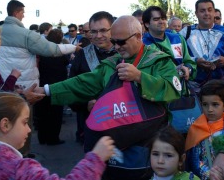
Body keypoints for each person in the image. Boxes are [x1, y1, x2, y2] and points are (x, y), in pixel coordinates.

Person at [35, 15, 182, 180]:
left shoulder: (159, 61)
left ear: (138, 37)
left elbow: (173, 90)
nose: (117, 47)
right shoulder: (111, 63)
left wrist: (140, 77)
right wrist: (46, 90)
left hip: (149, 144)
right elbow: (82, 83)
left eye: (121, 42)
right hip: (116, 143)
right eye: (114, 41)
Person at [0, 0, 80, 158]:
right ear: (18, 12)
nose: (24, 15)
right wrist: (74, 47)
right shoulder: (25, 34)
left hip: (0, 86)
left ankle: (3, 157)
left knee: (1, 125)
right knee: (22, 123)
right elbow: (52, 49)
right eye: (23, 12)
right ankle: (22, 156)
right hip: (22, 87)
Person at [0, 92, 115, 179]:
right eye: (24, 122)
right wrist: (96, 159)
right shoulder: (18, 169)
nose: (29, 130)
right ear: (5, 125)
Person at [69, 11, 116, 144]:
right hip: (92, 125)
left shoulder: (125, 52)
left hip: (124, 125)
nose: (98, 36)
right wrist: (86, 104)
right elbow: (72, 89)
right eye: (93, 31)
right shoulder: (82, 55)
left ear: (112, 30)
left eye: (103, 30)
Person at [179, 0, 224, 86]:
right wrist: (195, 61)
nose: (206, 13)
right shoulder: (186, 33)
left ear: (214, 12)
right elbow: (177, 57)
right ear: (196, 13)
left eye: (210, 10)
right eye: (202, 11)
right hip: (192, 87)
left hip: (219, 86)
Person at [185, 80, 224, 180]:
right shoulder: (197, 129)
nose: (209, 109)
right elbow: (195, 161)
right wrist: (209, 174)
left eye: (215, 104)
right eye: (205, 104)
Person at [34, 29, 70, 145]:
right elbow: (66, 62)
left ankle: (42, 137)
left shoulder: (42, 51)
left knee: (43, 113)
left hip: (43, 85)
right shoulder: (61, 52)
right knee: (55, 114)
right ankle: (53, 138)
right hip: (58, 86)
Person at [142, 6, 197, 81]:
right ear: (147, 24)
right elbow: (143, 73)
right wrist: (173, 72)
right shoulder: (142, 45)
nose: (161, 21)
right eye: (156, 19)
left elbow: (189, 61)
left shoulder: (177, 39)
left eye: (163, 18)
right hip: (159, 90)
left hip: (182, 90)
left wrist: (188, 69)